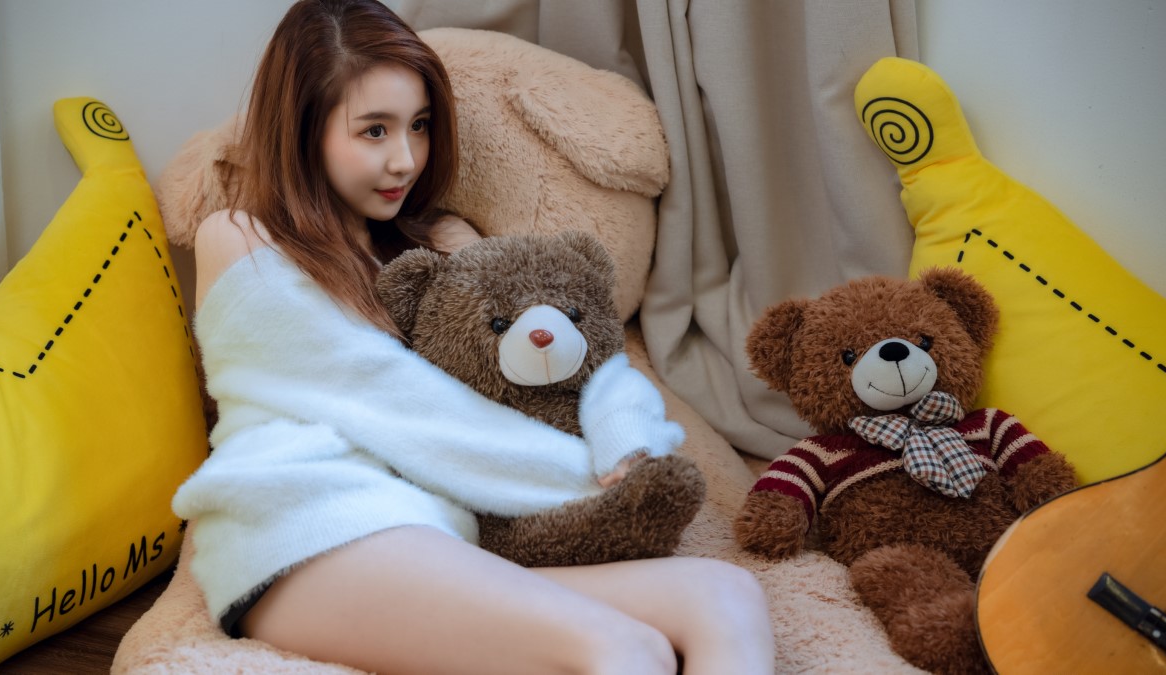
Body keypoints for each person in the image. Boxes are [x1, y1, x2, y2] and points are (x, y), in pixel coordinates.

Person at [172, 1, 776, 673]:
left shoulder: (428, 250)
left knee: (726, 595)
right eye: (374, 130)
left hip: (430, 531)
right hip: (302, 523)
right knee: (625, 651)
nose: (405, 159)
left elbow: (534, 379)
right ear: (303, 129)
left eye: (419, 125)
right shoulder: (240, 236)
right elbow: (384, 397)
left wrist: (624, 441)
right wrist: (590, 477)